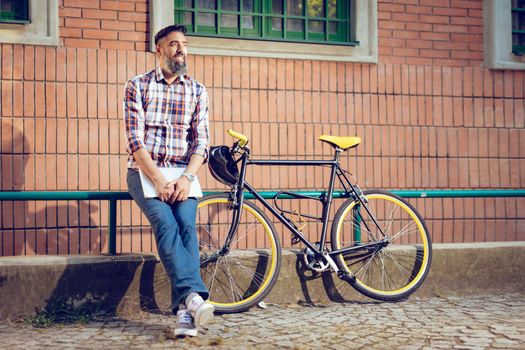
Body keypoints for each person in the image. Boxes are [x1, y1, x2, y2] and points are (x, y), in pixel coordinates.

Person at [123, 24, 213, 337]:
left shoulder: (198, 90)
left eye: (185, 44)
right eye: (174, 44)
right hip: (145, 173)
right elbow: (135, 141)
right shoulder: (137, 85)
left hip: (183, 174)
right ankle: (194, 298)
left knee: (188, 228)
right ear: (159, 49)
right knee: (166, 224)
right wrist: (159, 180)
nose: (181, 49)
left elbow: (201, 142)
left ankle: (185, 315)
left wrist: (187, 178)